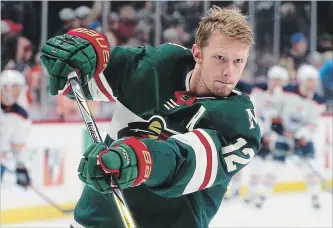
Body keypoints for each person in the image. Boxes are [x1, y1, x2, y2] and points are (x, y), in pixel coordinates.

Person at [39, 6, 261, 228]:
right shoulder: (159, 66)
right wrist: (78, 53)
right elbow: (83, 78)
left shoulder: (239, 122)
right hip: (94, 222)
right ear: (198, 53)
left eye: (238, 61)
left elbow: (183, 162)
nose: (229, 72)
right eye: (220, 57)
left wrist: (137, 157)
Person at [244, 65, 289, 208]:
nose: (276, 83)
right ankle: (251, 192)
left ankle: (263, 195)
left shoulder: (285, 99)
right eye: (274, 79)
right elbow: (252, 113)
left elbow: (285, 121)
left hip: (278, 137)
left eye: (280, 80)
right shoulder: (258, 93)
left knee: (275, 168)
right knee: (256, 166)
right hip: (261, 135)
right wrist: (262, 131)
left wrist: (275, 135)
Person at [0, 70, 31, 188]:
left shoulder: (20, 116)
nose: (18, 92)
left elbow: (18, 145)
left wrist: (21, 168)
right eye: (15, 88)